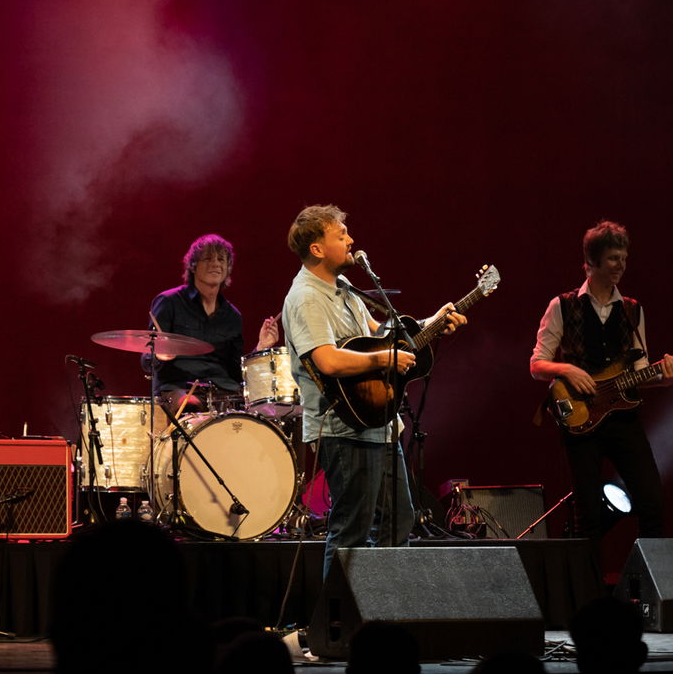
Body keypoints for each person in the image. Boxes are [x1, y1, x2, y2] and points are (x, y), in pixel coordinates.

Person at [280, 204, 464, 577]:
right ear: (317, 249)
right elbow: (328, 361)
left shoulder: (343, 288)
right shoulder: (306, 297)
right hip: (344, 429)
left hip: (377, 421)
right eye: (341, 235)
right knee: (351, 531)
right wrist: (383, 362)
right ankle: (335, 625)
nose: (351, 240)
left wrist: (432, 322)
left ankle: (380, 611)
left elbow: (379, 336)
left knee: (399, 520)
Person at [529, 220, 673, 541]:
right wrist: (567, 370)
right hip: (581, 420)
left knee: (652, 502)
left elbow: (639, 370)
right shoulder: (562, 305)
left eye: (624, 258)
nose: (621, 265)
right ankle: (591, 591)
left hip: (624, 417)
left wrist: (663, 380)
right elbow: (537, 364)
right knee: (589, 516)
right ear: (591, 263)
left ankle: (645, 586)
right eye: (613, 258)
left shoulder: (632, 310)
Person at [142, 233, 281, 414]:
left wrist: (261, 347)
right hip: (179, 389)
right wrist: (159, 354)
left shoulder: (232, 315)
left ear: (227, 268)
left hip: (223, 392)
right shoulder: (169, 302)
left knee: (263, 409)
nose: (216, 264)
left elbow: (236, 373)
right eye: (208, 259)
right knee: (189, 403)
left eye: (221, 260)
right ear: (193, 265)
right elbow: (146, 361)